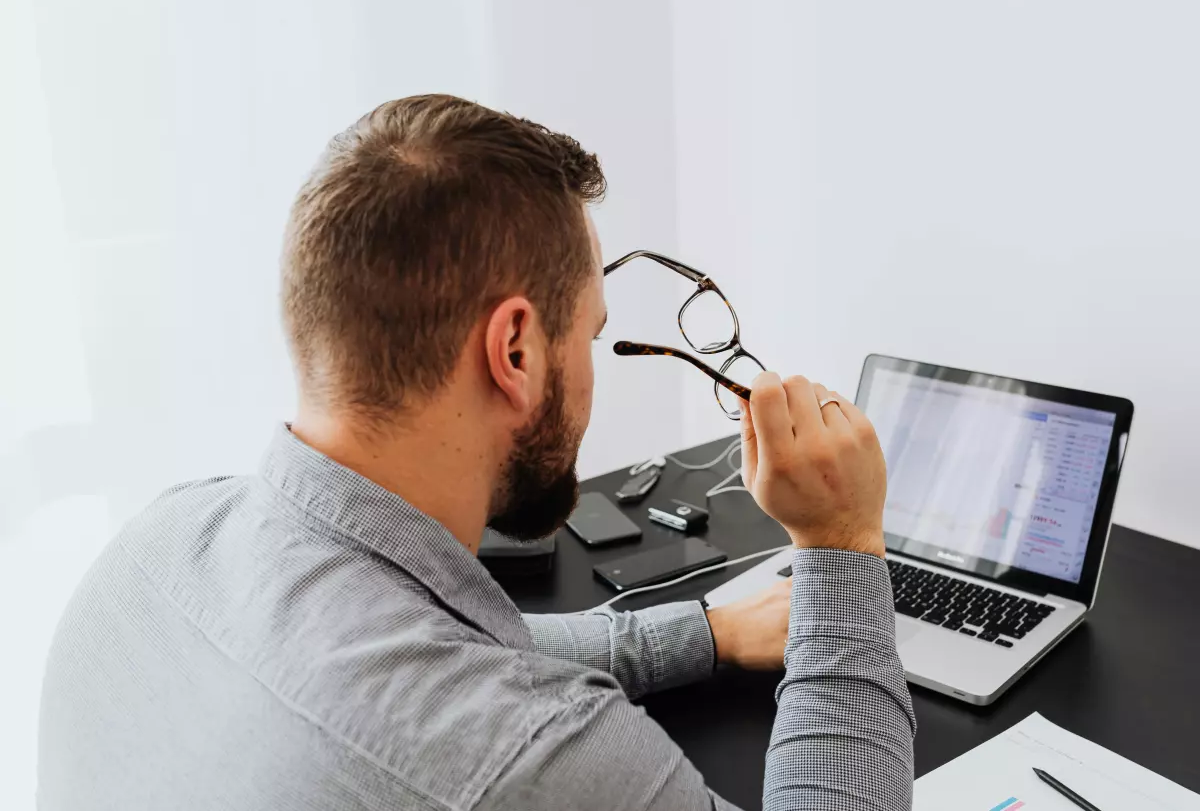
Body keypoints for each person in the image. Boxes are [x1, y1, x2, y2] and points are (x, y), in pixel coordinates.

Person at [38, 95, 915, 810]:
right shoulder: (527, 760)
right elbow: (455, 701)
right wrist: (841, 547)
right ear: (517, 352)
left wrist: (706, 634)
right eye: (591, 336)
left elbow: (422, 644)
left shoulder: (158, 542)